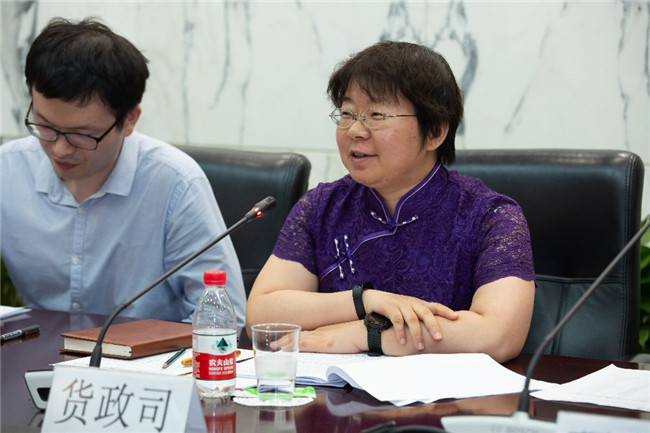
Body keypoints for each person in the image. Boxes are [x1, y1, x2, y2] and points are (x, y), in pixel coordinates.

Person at [246, 41, 535, 362]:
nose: (355, 130)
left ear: (435, 132)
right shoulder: (322, 207)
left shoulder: (490, 216)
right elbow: (261, 314)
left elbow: (499, 334)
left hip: (439, 392)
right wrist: (364, 301)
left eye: (376, 115)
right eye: (347, 113)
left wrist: (365, 334)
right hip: (332, 390)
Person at [0, 18, 247, 327]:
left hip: (148, 355)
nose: (60, 149)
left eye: (82, 135)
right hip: (36, 353)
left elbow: (225, 320)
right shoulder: (7, 170)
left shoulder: (175, 183)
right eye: (45, 126)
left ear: (129, 120)